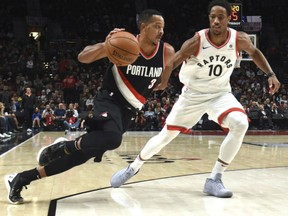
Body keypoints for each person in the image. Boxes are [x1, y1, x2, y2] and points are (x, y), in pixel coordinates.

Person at [110, 0, 281, 198]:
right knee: (165, 136)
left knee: (240, 123)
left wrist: (270, 74)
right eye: (212, 17)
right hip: (193, 95)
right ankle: (134, 167)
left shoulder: (239, 39)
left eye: (220, 17)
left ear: (228, 19)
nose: (216, 21)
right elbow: (173, 61)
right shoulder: (197, 41)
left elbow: (255, 52)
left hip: (220, 94)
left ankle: (215, 179)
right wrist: (163, 79)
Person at [4, 9, 175, 204]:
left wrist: (154, 84)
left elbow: (163, 80)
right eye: (157, 26)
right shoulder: (123, 42)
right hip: (109, 98)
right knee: (112, 138)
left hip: (130, 109)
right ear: (143, 27)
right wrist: (105, 45)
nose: (161, 31)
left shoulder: (166, 51)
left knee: (82, 155)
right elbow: (82, 57)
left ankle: (21, 178)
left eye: (163, 27)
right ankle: (66, 145)